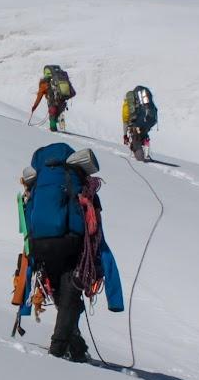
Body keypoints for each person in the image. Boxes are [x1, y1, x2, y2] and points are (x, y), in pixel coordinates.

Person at [17, 143, 121, 361]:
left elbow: (27, 224)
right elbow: (98, 236)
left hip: (41, 247)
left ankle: (77, 349)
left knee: (64, 298)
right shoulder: (81, 186)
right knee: (70, 298)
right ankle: (56, 352)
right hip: (71, 245)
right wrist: (115, 297)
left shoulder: (40, 185)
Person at [29, 65, 76, 131]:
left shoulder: (44, 83)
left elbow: (39, 97)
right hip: (62, 101)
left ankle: (53, 131)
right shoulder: (60, 79)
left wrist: (34, 106)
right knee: (58, 114)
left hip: (52, 102)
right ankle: (61, 124)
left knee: (52, 115)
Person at [121, 85, 159, 160]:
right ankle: (147, 154)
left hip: (135, 124)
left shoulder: (126, 105)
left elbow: (125, 121)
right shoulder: (141, 104)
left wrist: (125, 135)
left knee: (135, 139)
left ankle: (139, 158)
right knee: (144, 136)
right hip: (148, 122)